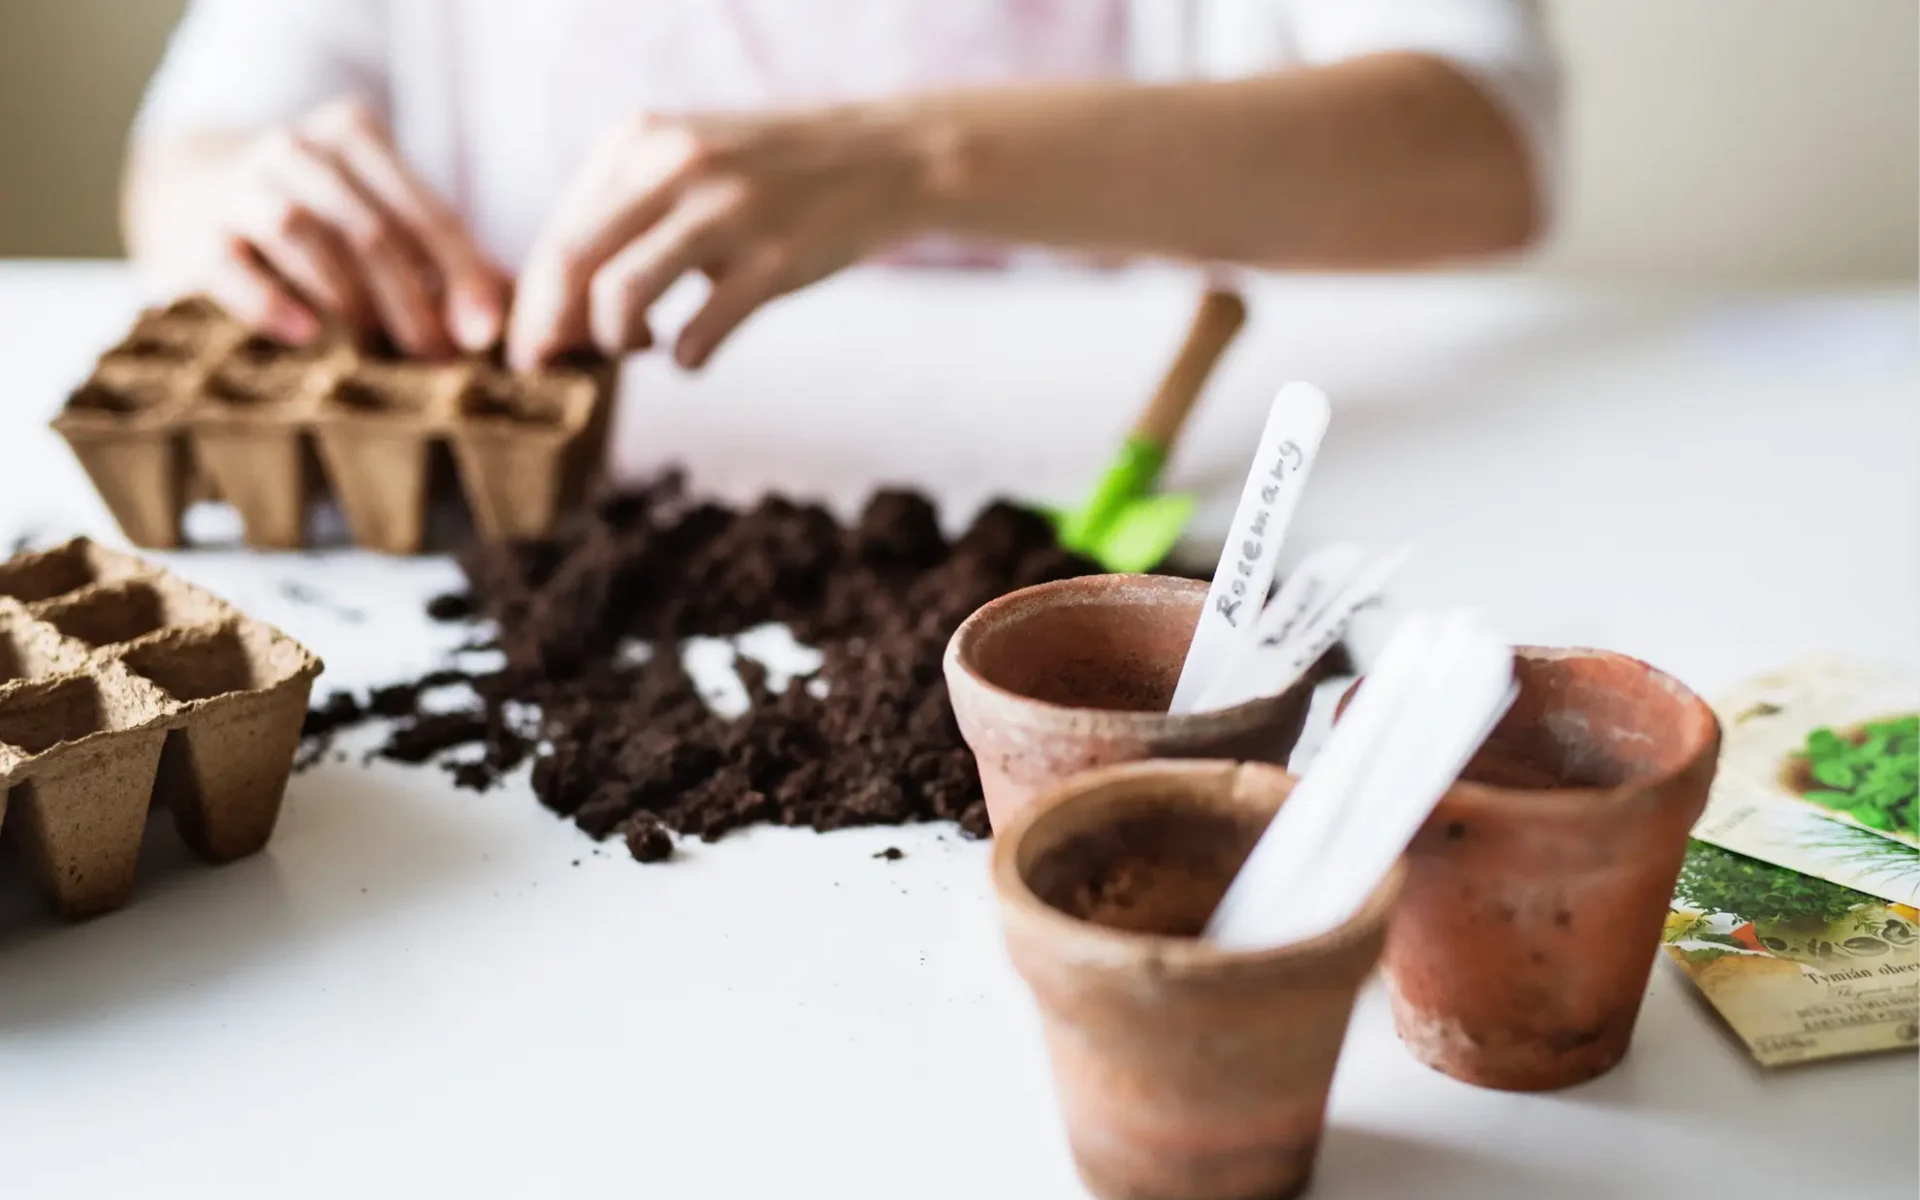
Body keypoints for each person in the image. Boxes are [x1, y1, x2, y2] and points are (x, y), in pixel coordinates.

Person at [123, 0, 1559, 372]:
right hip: (520, 571)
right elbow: (183, 165)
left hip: (1081, 521)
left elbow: (1475, 147)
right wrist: (250, 204)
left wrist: (920, 163)